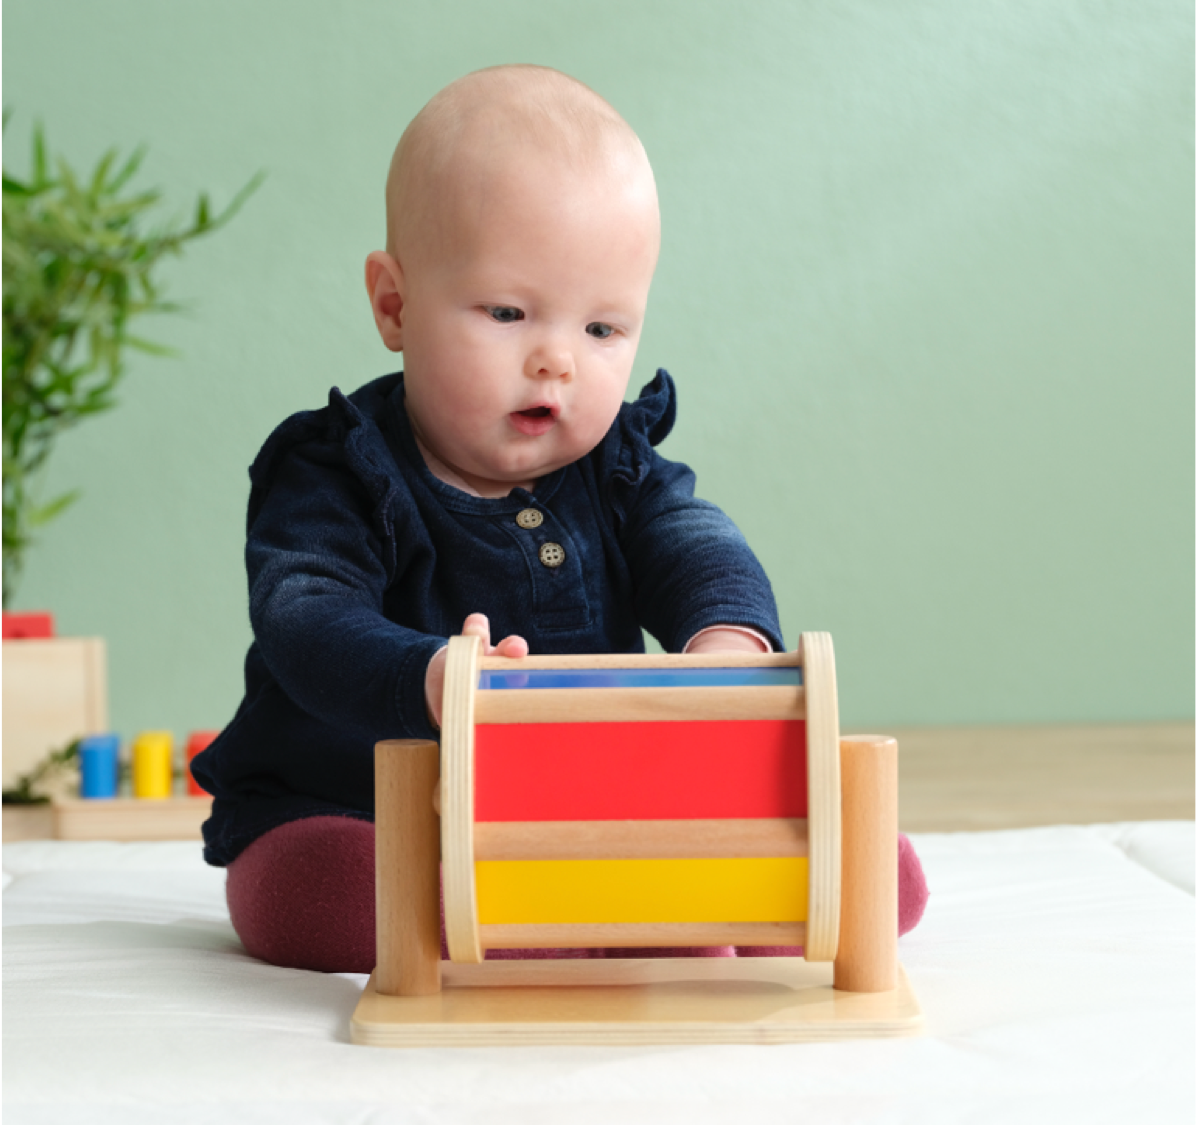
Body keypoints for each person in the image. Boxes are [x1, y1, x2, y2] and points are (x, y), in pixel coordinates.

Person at [193, 65, 927, 973]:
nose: (557, 363)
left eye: (603, 330)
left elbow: (694, 539)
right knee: (314, 888)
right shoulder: (337, 469)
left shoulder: (616, 466)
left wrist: (728, 638)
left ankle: (604, 902)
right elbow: (304, 617)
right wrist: (427, 677)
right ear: (394, 303)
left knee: (877, 870)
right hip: (359, 806)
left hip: (581, 812)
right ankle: (575, 917)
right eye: (508, 312)